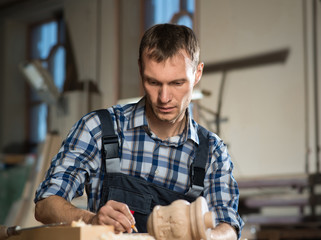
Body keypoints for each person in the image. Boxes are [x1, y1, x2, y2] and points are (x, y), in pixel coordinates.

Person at [34, 23, 244, 239]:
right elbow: (45, 204)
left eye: (177, 83)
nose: (164, 97)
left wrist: (209, 237)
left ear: (197, 73)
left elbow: (228, 225)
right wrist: (91, 220)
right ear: (140, 69)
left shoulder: (212, 152)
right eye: (153, 82)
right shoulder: (98, 129)